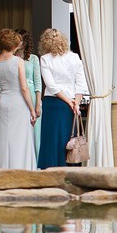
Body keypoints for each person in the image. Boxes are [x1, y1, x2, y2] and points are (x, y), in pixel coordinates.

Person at [36, 28, 86, 169]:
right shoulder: (74, 57)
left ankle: (51, 168)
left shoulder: (45, 59)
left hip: (53, 102)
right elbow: (80, 83)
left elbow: (51, 85)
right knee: (68, 137)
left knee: (51, 138)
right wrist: (76, 102)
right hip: (70, 103)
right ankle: (70, 167)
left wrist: (70, 102)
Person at [0, 28, 37, 170]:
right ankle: (22, 169)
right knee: (21, 138)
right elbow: (24, 88)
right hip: (19, 102)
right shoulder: (18, 61)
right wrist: (32, 109)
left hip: (3, 102)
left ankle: (2, 169)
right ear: (14, 45)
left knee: (4, 137)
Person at [15, 29, 42, 158]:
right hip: (15, 95)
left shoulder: (34, 59)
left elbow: (38, 83)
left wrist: (38, 103)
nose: (19, 42)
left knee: (34, 132)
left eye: (22, 40)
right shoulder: (11, 58)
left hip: (31, 94)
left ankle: (34, 162)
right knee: (18, 132)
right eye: (17, 39)